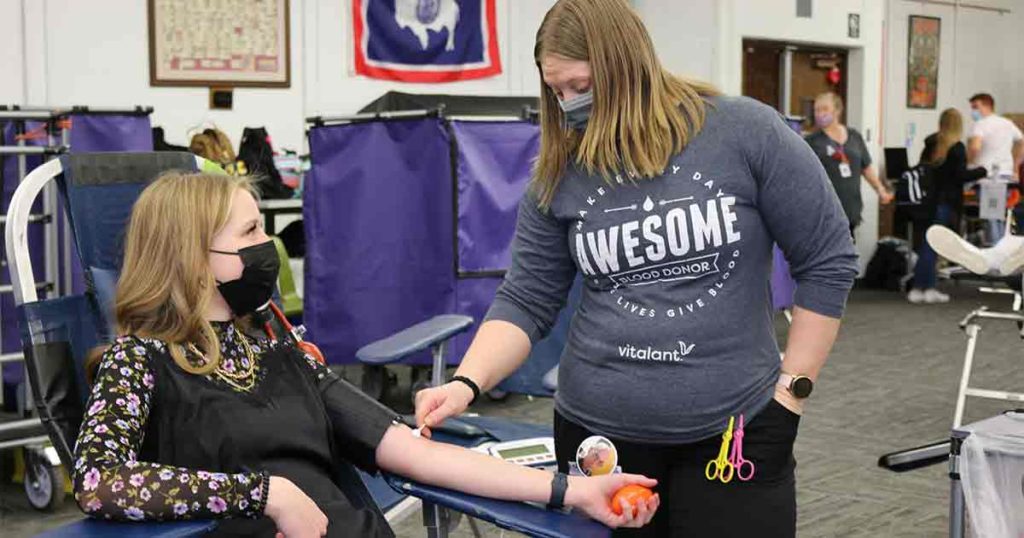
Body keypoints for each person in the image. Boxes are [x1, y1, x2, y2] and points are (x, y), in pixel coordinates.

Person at [413, 1, 859, 536]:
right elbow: (527, 298)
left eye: (580, 85)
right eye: (556, 90)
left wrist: (791, 397)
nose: (569, 103)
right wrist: (465, 383)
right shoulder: (561, 168)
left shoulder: (743, 132)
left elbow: (828, 259)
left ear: (628, 66)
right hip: (598, 440)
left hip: (735, 432)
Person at [71, 172, 661, 537]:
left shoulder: (283, 356)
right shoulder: (139, 362)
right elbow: (98, 480)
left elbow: (420, 457)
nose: (268, 247)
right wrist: (266, 494)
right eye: (249, 233)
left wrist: (570, 490)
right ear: (190, 258)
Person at [906, 108, 987, 304]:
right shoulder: (957, 148)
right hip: (947, 203)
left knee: (927, 245)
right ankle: (928, 288)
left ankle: (919, 287)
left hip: (929, 201)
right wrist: (982, 171)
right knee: (933, 247)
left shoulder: (932, 145)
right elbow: (959, 176)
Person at [805, 92, 894, 237]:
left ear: (837, 110)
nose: (819, 114)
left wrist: (880, 190)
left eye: (824, 109)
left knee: (847, 254)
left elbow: (866, 168)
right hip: (824, 214)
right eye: (816, 110)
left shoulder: (854, 137)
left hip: (850, 210)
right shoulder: (812, 141)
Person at [967, 93, 1024, 243]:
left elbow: (974, 147)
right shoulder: (1007, 123)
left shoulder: (980, 125)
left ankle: (996, 251)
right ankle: (1002, 247)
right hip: (1006, 177)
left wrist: (970, 163)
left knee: (990, 217)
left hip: (988, 179)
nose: (973, 111)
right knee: (1000, 216)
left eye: (975, 107)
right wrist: (1016, 166)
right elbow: (1021, 141)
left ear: (987, 105)